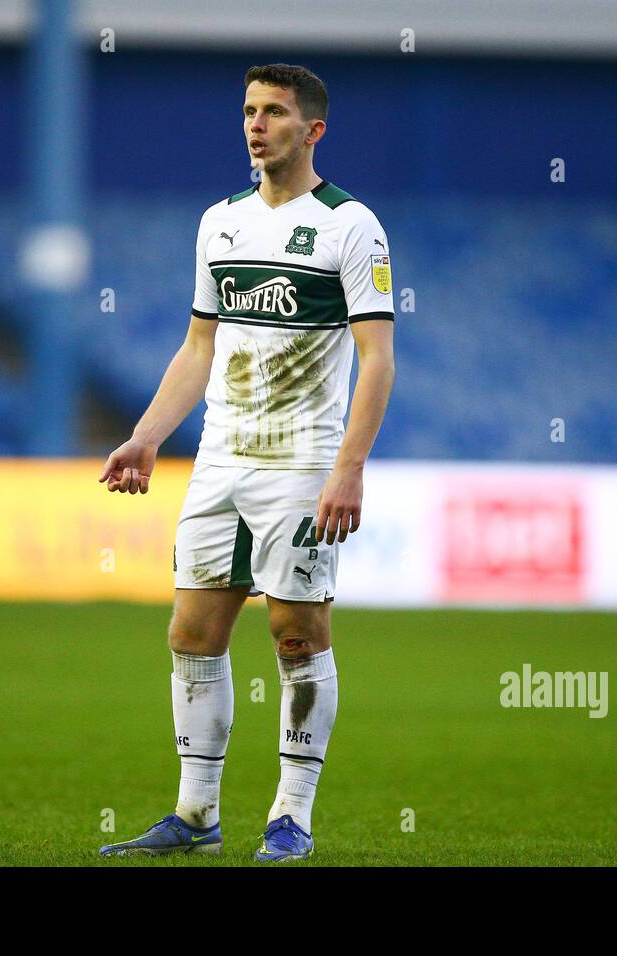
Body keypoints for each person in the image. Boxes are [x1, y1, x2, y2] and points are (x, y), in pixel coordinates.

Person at [97, 63, 395, 862]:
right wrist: (148, 435)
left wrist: (349, 466)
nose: (255, 125)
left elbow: (378, 359)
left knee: (296, 631)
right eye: (248, 111)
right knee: (192, 632)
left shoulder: (351, 225)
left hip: (301, 461)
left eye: (273, 113)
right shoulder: (218, 222)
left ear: (313, 130)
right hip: (221, 460)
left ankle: (290, 815)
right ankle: (196, 817)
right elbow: (200, 345)